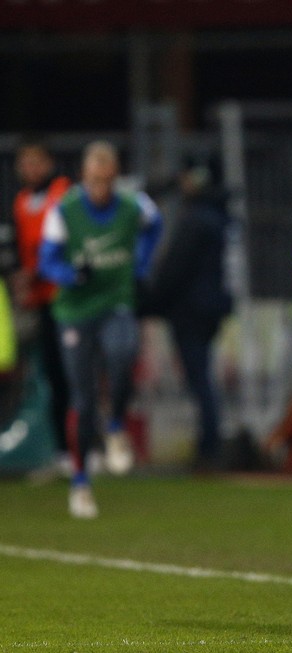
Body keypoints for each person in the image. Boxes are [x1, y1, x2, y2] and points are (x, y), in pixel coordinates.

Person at [38, 140, 162, 518]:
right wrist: (71, 274)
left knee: (124, 355)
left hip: (115, 302)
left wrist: (140, 264)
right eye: (94, 179)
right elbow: (46, 260)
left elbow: (155, 226)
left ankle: (116, 425)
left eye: (107, 179)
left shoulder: (134, 205)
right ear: (84, 176)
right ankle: (80, 481)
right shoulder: (65, 210)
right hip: (75, 311)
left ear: (115, 176)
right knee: (83, 398)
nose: (101, 187)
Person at [142, 161, 232, 471]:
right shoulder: (217, 217)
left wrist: (151, 302)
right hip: (210, 308)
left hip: (191, 311)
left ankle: (209, 447)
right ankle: (210, 443)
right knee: (202, 376)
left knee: (199, 378)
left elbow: (176, 269)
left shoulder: (196, 220)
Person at [11, 139, 72, 471]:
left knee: (74, 374)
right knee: (50, 374)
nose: (30, 169)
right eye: (25, 163)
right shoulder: (22, 201)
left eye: (36, 161)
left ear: (49, 163)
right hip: (39, 301)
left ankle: (87, 446)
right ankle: (61, 451)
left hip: (67, 297)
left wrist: (37, 271)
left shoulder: (64, 194)